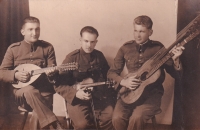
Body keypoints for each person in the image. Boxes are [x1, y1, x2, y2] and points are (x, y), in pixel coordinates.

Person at [107, 15, 184, 130]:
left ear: (150, 32)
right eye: (136, 30)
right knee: (117, 118)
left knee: (137, 118)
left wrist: (176, 60)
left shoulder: (159, 48)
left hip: (151, 95)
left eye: (142, 31)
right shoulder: (125, 48)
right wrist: (124, 82)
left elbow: (176, 75)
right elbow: (111, 73)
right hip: (129, 93)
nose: (137, 35)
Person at [0, 16, 63, 130]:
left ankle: (52, 122)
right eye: (30, 29)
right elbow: (2, 73)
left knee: (37, 115)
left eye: (37, 29)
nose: (35, 33)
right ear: (22, 31)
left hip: (44, 93)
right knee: (29, 90)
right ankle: (55, 124)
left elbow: (54, 75)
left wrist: (51, 74)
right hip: (22, 94)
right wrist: (15, 75)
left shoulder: (47, 48)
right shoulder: (13, 49)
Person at [54, 26, 116, 130]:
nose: (89, 45)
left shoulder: (99, 56)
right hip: (77, 100)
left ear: (96, 42)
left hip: (98, 98)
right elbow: (59, 85)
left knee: (111, 117)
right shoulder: (72, 58)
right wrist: (75, 93)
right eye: (86, 41)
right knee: (82, 125)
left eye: (92, 42)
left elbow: (108, 76)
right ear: (80, 40)